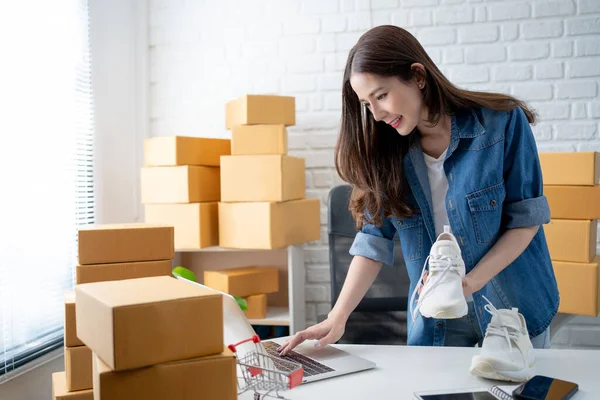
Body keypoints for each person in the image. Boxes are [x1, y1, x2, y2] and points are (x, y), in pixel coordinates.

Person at [278, 25, 559, 355]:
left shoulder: (501, 123)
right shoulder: (386, 155)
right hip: (436, 321)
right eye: (368, 104)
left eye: (381, 95)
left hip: (513, 309)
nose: (378, 114)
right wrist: (337, 318)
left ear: (418, 77)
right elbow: (373, 240)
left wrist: (468, 283)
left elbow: (524, 221)